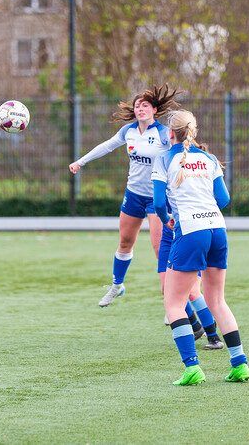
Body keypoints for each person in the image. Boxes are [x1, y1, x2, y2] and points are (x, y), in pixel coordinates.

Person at [152, 110, 249, 385]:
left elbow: (159, 203)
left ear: (170, 133)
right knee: (217, 300)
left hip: (190, 232)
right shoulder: (208, 158)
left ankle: (192, 368)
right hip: (217, 230)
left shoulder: (164, 160)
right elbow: (223, 198)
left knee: (173, 303)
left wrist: (168, 219)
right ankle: (240, 364)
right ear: (193, 131)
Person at [69, 84, 179, 307]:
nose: (140, 109)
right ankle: (117, 285)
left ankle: (173, 304)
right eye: (138, 105)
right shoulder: (128, 131)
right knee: (125, 242)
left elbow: (180, 152)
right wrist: (80, 162)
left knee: (160, 248)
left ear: (154, 110)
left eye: (145, 105)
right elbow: (106, 146)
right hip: (134, 195)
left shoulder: (162, 134)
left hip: (157, 197)